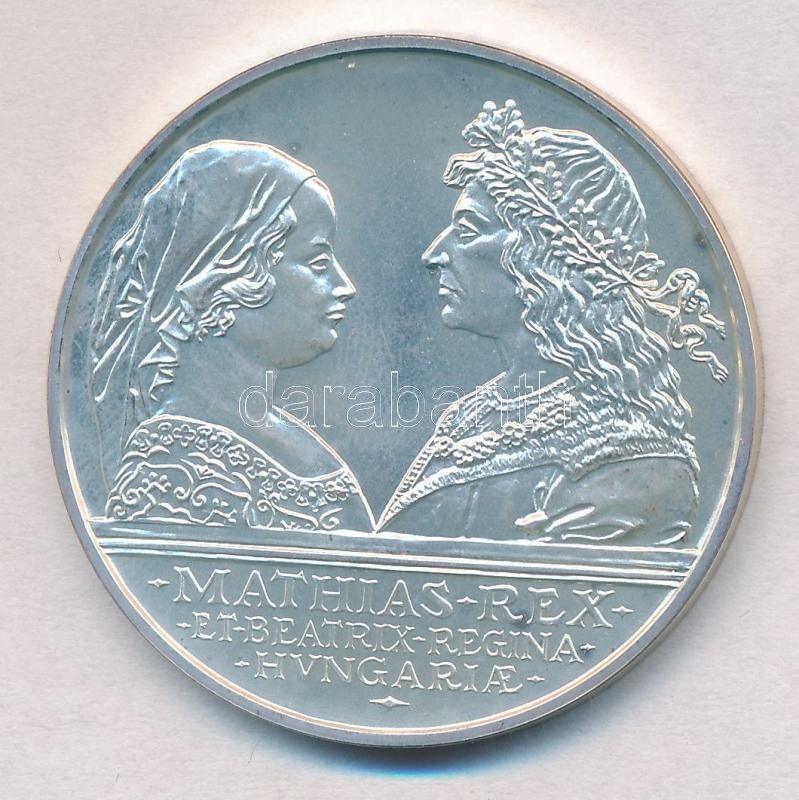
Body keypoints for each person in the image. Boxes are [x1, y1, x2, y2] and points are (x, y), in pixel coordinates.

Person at [378, 101, 727, 546]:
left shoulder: (633, 464)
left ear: (542, 258)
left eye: (468, 229)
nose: (434, 254)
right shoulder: (470, 415)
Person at [90, 140, 373, 532]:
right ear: (227, 277)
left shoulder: (259, 432)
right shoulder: (169, 473)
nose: (345, 286)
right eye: (318, 262)